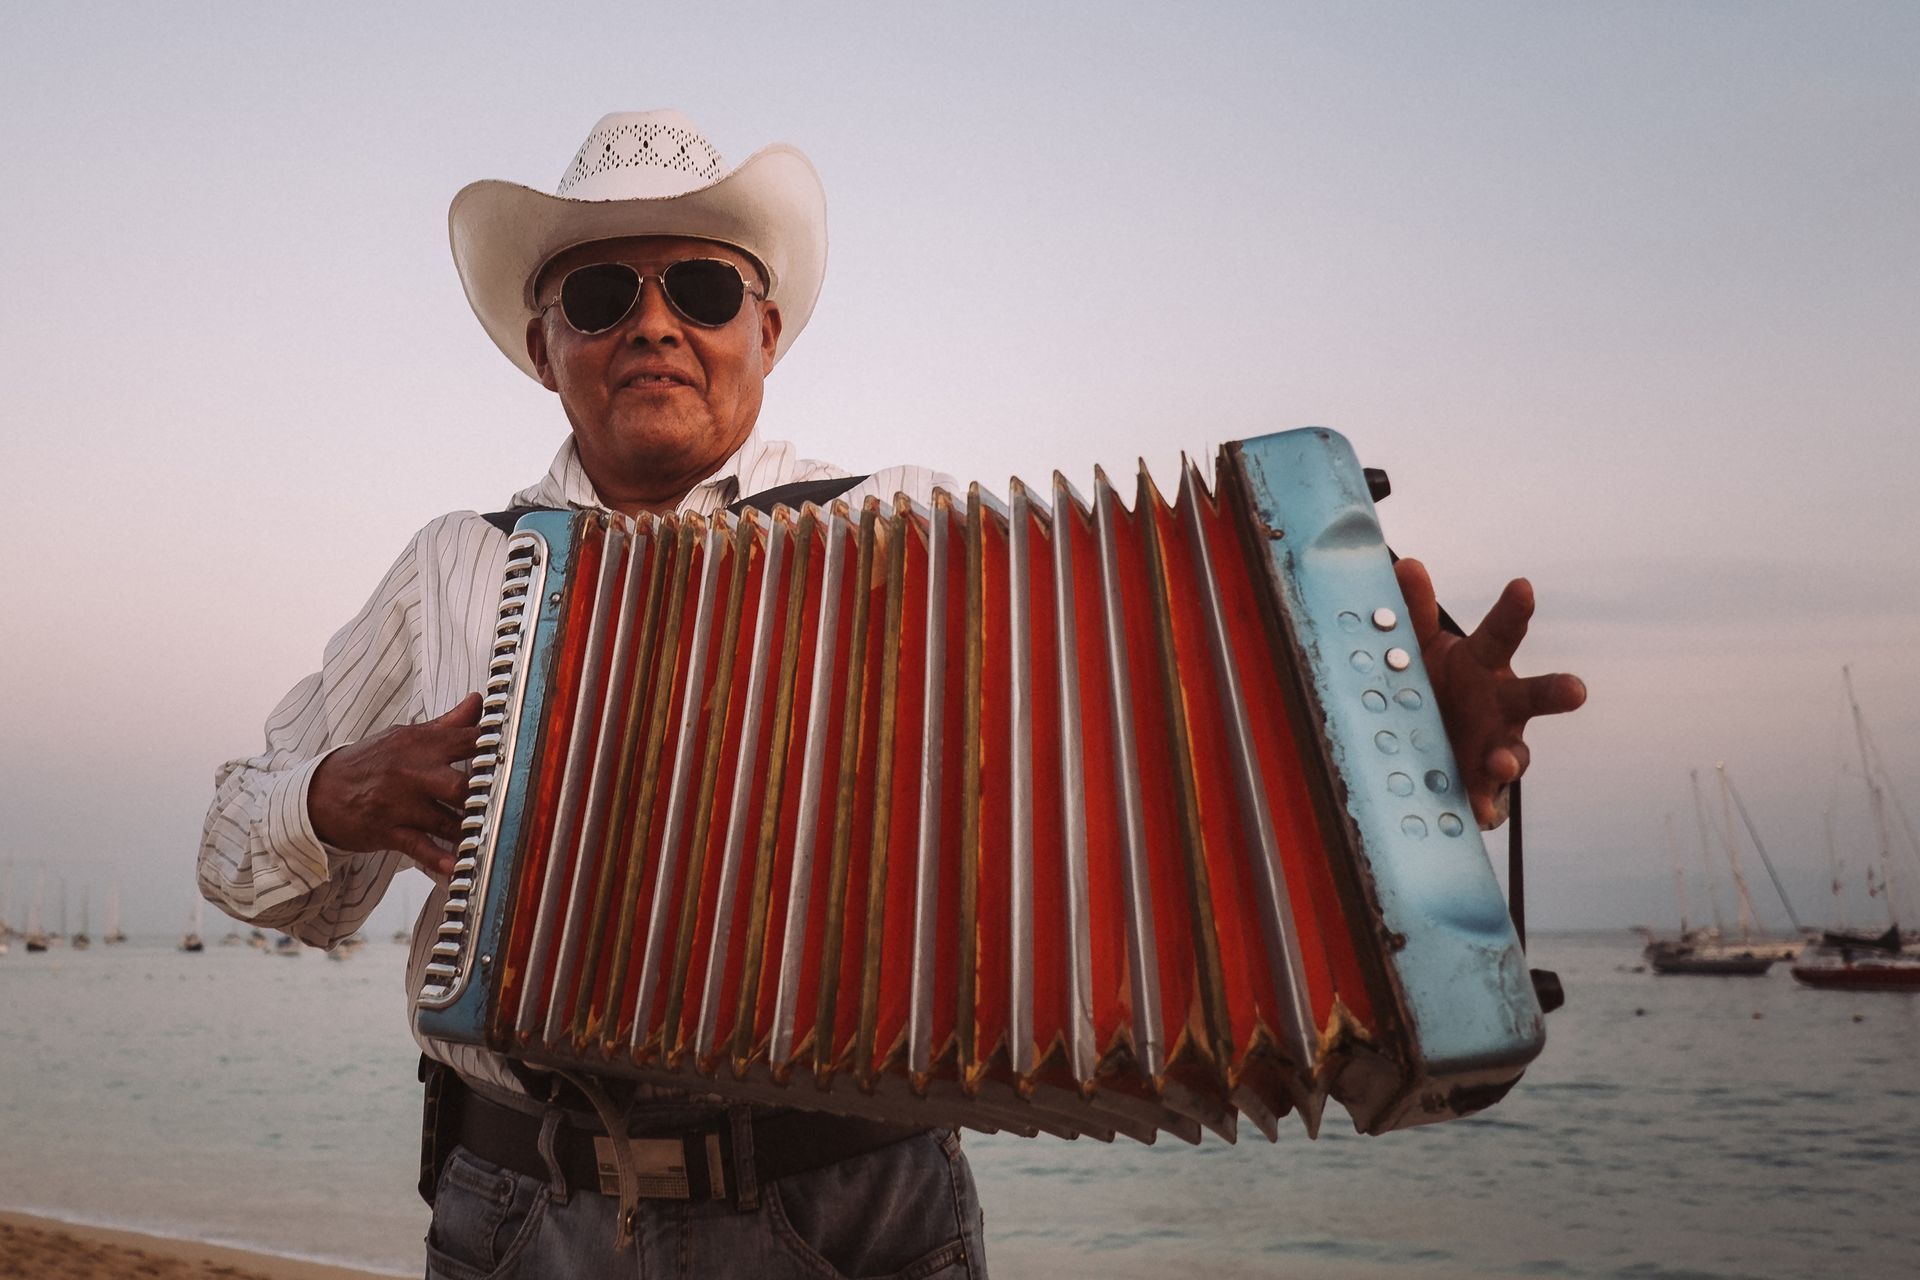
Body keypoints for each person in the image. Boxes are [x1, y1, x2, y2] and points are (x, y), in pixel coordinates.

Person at [197, 109, 1585, 1279]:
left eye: (704, 290)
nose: (656, 325)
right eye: (604, 295)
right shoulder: (453, 567)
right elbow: (248, 866)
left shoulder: (909, 532)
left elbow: (1154, 778)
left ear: (767, 329)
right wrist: (329, 799)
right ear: (543, 340)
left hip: (851, 1213)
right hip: (520, 1209)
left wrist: (1408, 769)